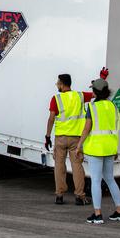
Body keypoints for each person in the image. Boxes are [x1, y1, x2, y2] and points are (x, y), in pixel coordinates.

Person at [80, 77, 120, 224]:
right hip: (110, 147)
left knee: (96, 180)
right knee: (110, 179)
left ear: (95, 92)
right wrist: (115, 147)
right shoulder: (113, 106)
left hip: (96, 148)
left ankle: (97, 214)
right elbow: (116, 127)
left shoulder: (92, 107)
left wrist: (80, 144)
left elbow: (87, 128)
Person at [44, 73, 89, 205]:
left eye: (58, 83)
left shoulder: (56, 99)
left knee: (59, 165)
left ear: (63, 84)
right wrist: (101, 80)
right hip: (76, 139)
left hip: (61, 138)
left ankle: (59, 195)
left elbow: (51, 118)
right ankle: (80, 196)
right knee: (77, 166)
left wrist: (47, 136)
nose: (57, 85)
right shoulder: (80, 96)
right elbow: (95, 95)